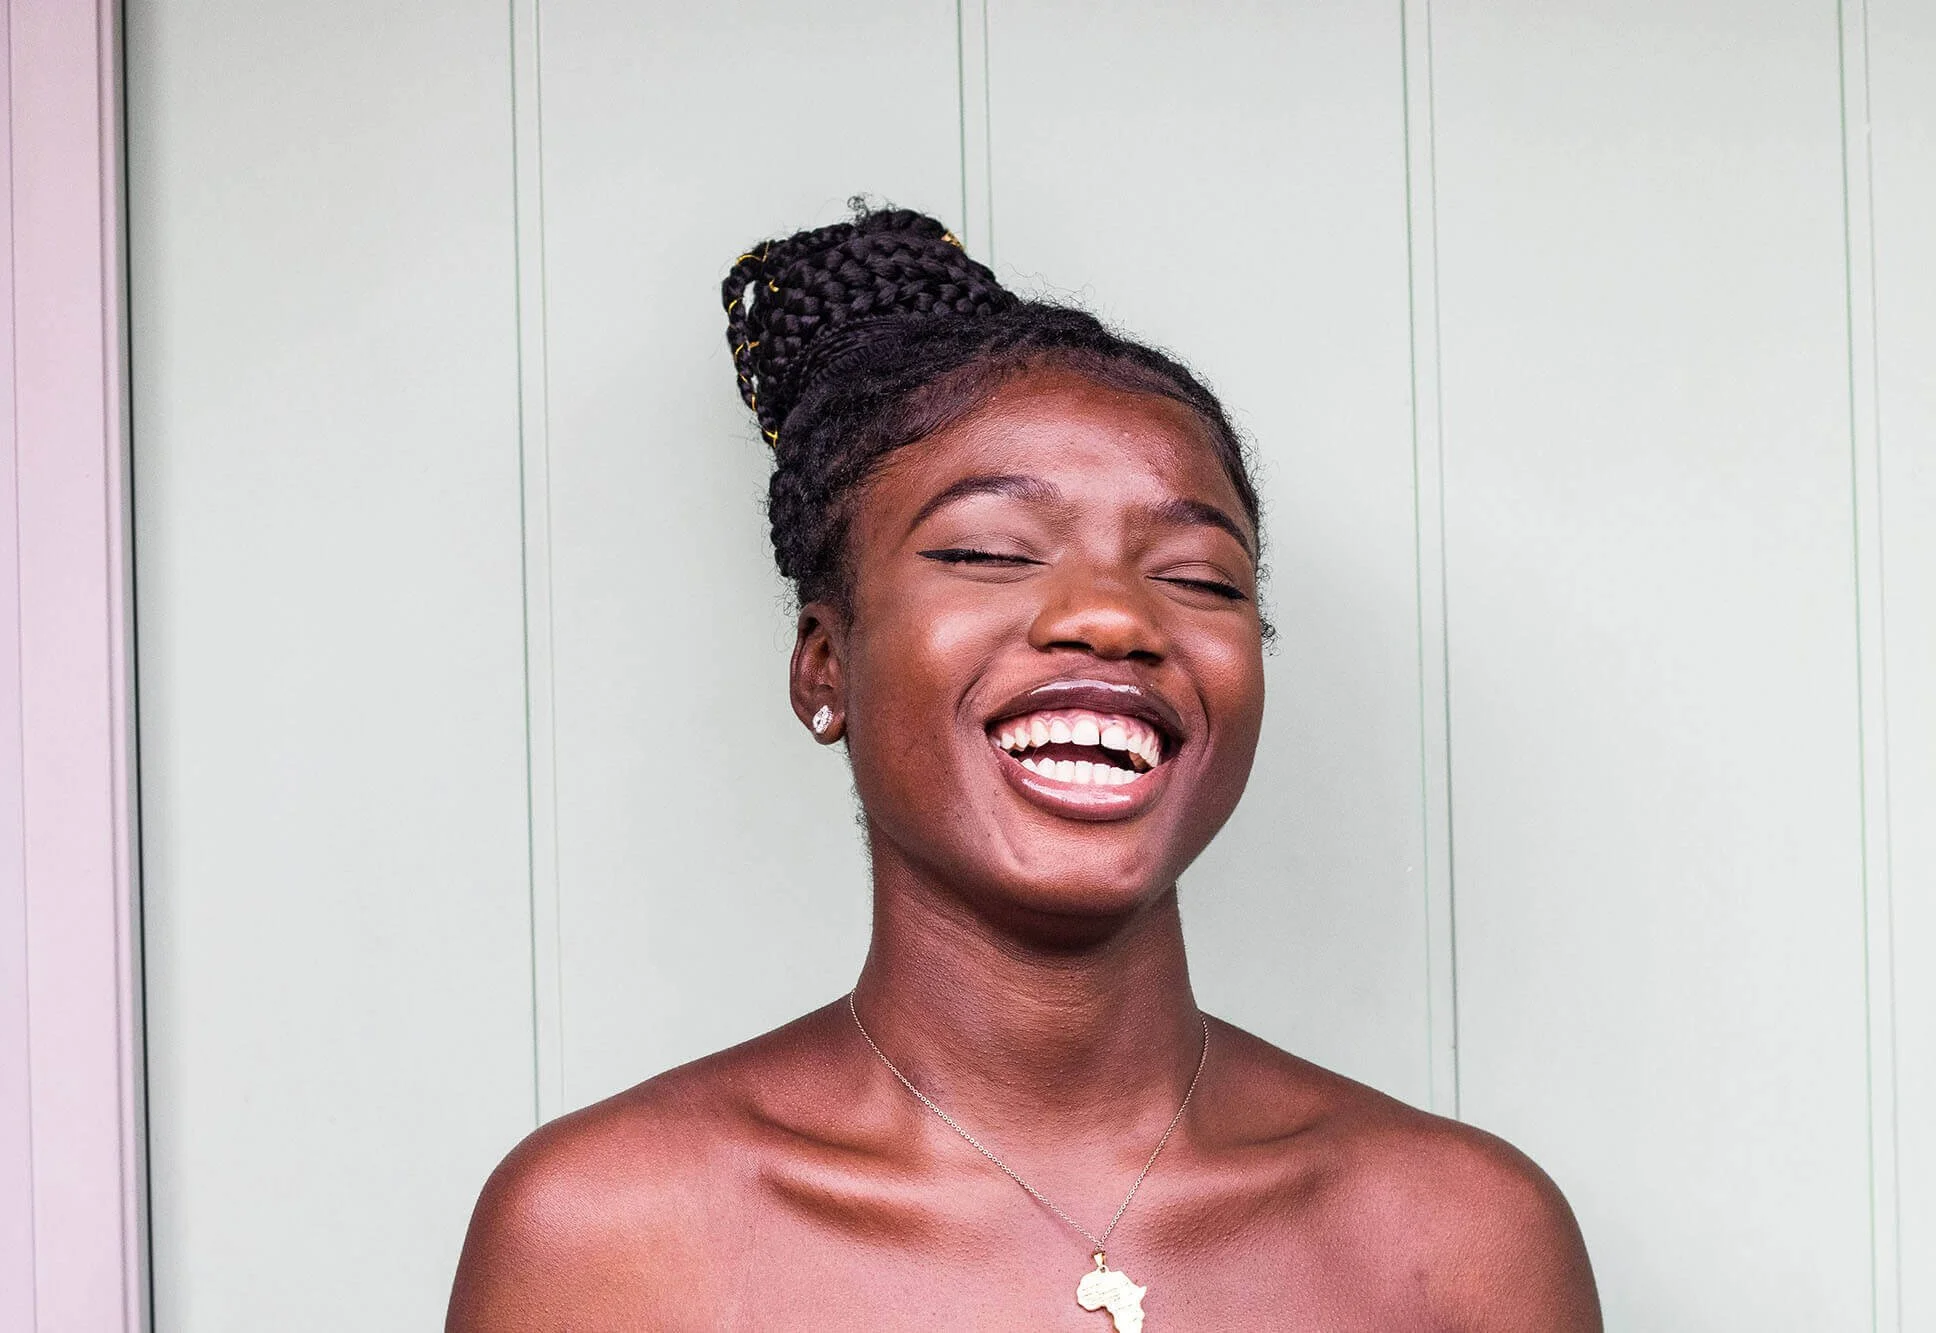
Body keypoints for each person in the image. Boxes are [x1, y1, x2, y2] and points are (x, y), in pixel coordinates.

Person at [446, 206, 1603, 1330]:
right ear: (823, 665)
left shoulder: (1466, 1236)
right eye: (987, 552)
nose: (1109, 616)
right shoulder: (606, 1237)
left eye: (1200, 577)